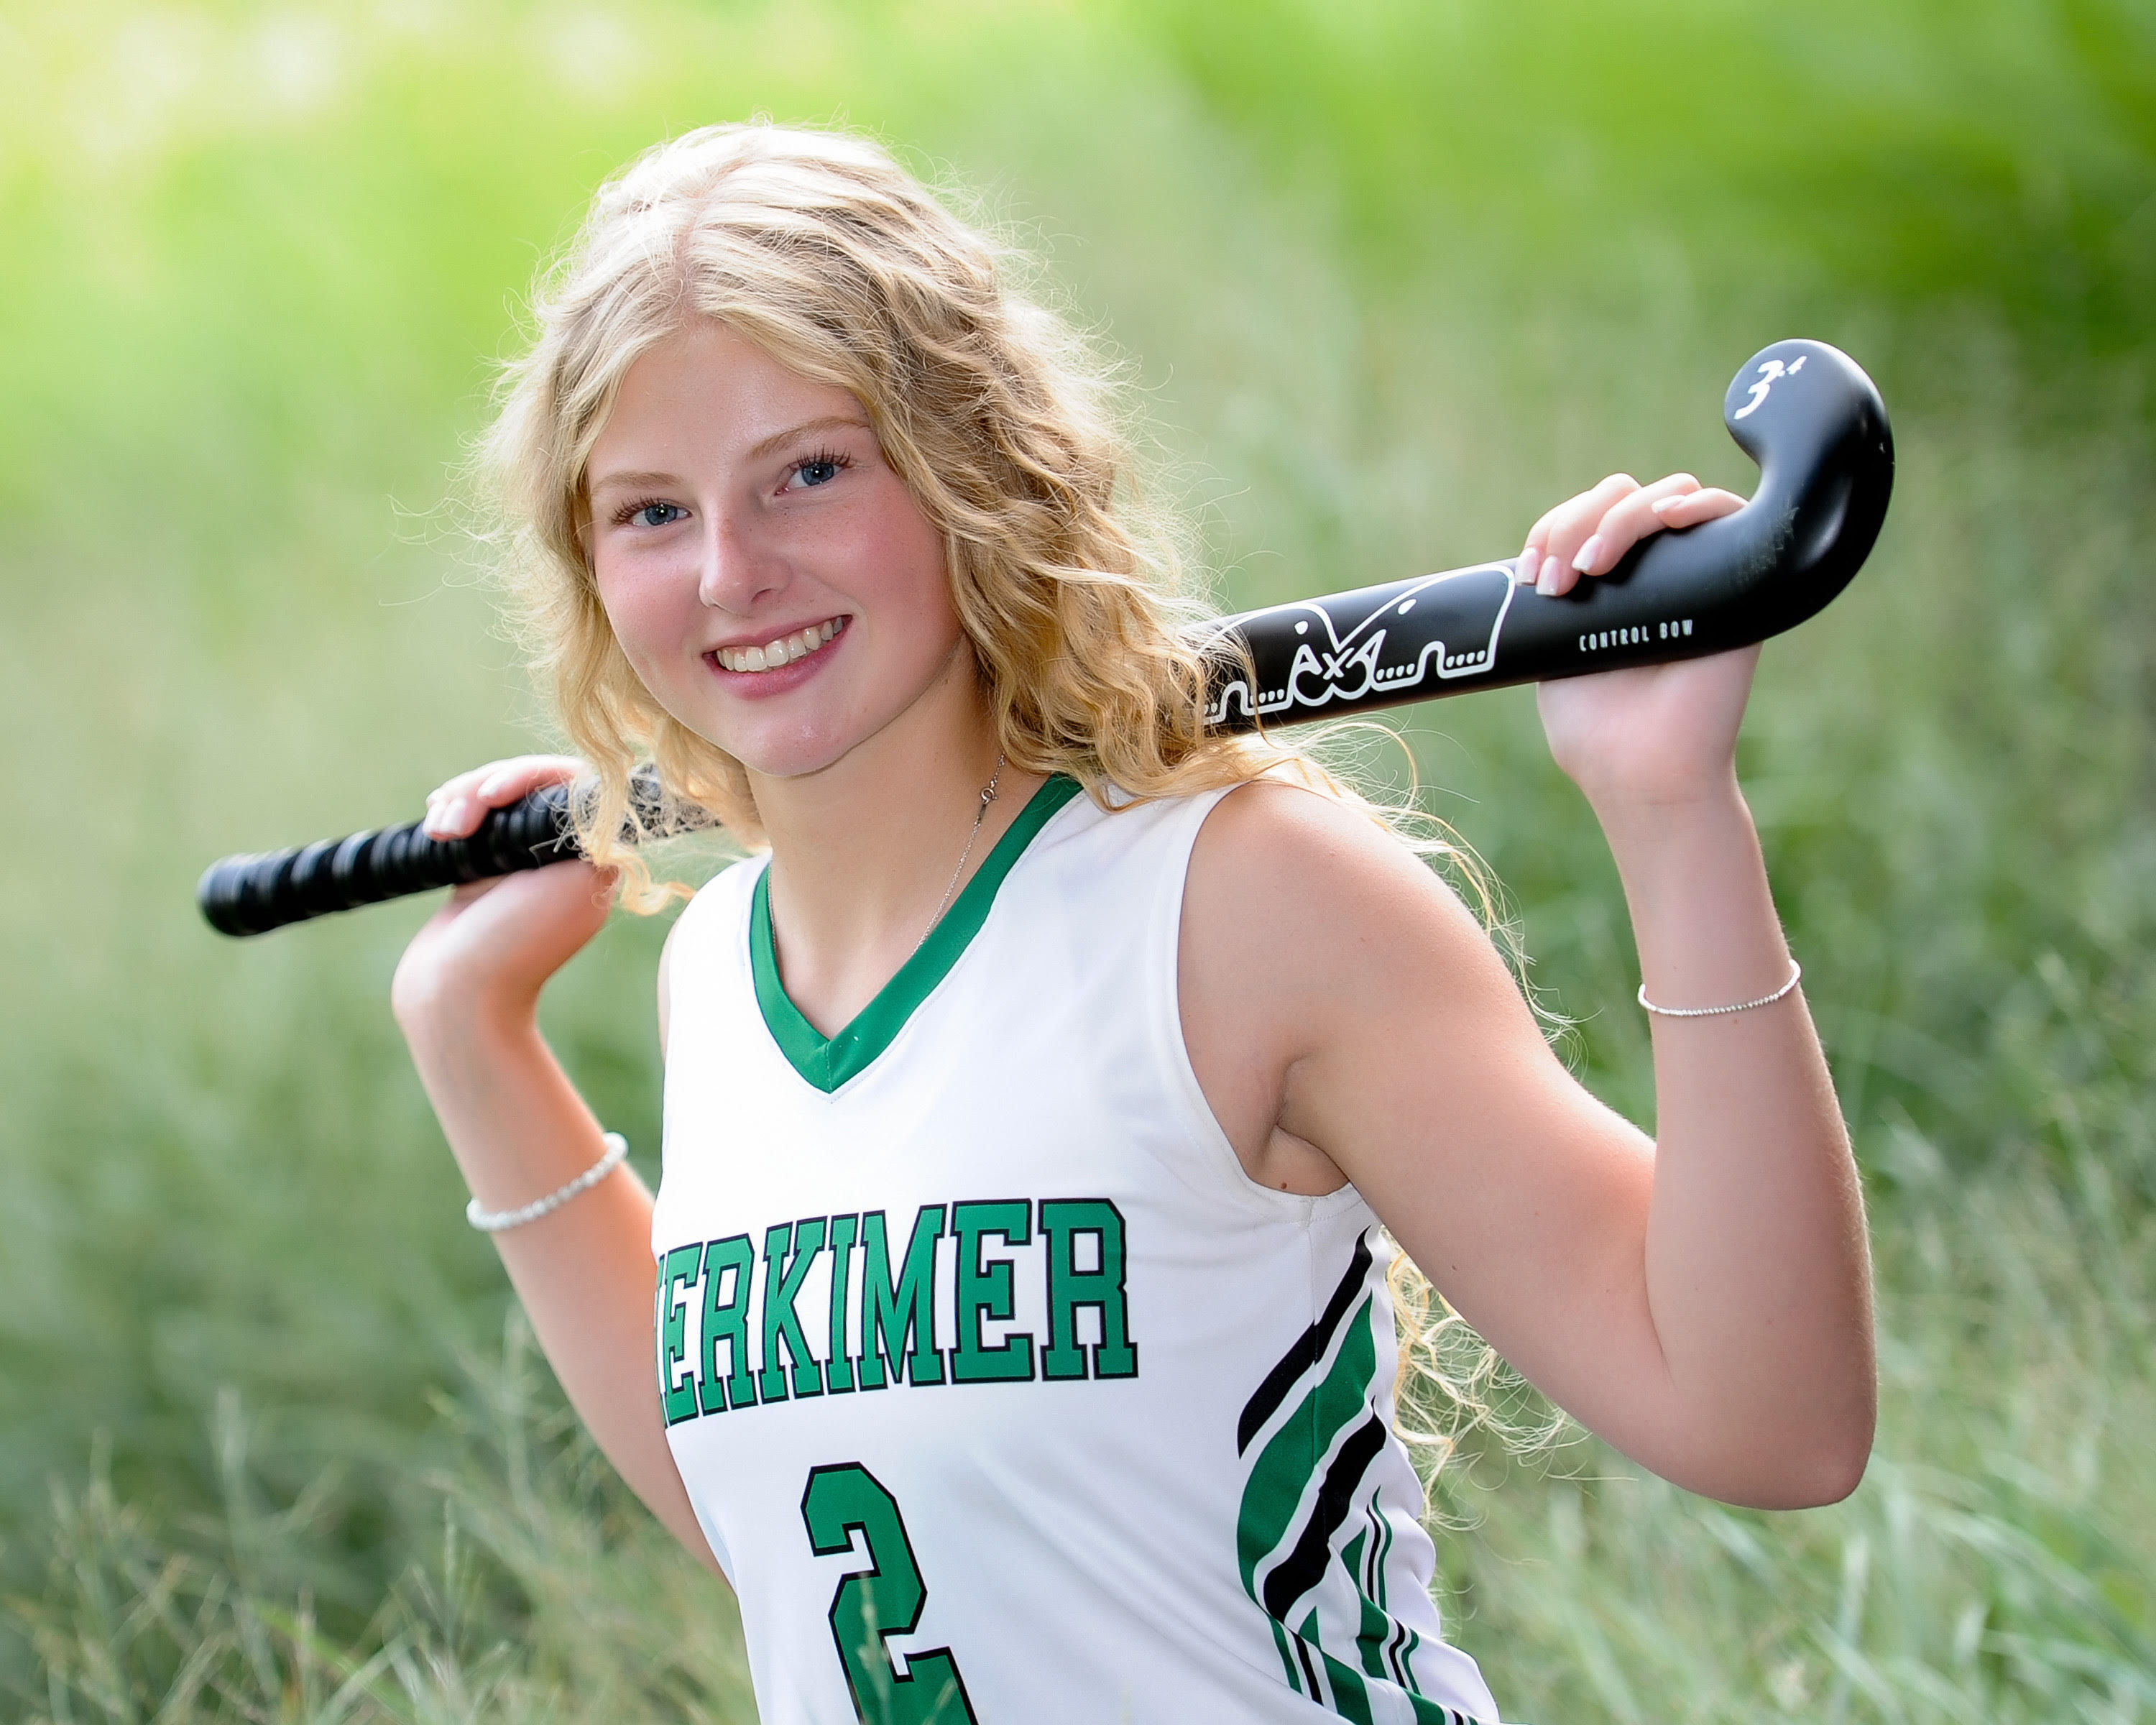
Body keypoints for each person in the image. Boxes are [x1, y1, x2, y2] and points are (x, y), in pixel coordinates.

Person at [395, 122, 1875, 1724]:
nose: (732, 574)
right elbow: (781, 1528)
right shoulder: (718, 979)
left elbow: (1773, 1422)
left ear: (969, 470)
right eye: (650, 513)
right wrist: (475, 1042)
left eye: (810, 472)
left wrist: (1671, 814)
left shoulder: (1237, 905)